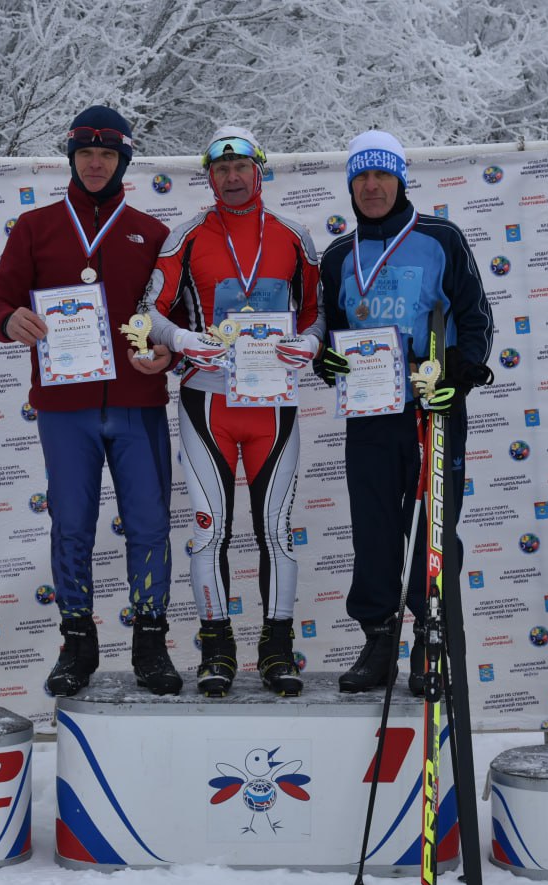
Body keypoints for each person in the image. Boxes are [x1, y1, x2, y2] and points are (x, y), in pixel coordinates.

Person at [0, 105, 181, 697]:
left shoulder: (152, 232)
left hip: (137, 403)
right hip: (64, 410)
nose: (96, 164)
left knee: (148, 524)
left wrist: (168, 355)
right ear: (72, 157)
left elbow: (176, 318)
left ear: (123, 161)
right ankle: (77, 643)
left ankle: (150, 641)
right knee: (72, 525)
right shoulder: (35, 227)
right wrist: (8, 319)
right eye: (86, 154)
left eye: (108, 154)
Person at [137, 126, 322, 697]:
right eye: (221, 170)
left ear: (259, 171)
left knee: (276, 532)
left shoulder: (295, 235)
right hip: (208, 399)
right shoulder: (187, 236)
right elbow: (149, 309)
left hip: (272, 404)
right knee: (209, 529)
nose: (233, 178)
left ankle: (277, 647)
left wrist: (312, 345)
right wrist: (187, 341)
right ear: (209, 176)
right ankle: (216, 646)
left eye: (242, 167)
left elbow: (319, 312)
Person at [313, 130, 494, 694]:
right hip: (369, 413)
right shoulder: (340, 254)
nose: (371, 186)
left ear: (400, 180)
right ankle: (380, 637)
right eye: (361, 177)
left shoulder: (440, 238)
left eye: (382, 175)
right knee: (373, 528)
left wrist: (458, 379)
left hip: (430, 407)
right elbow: (328, 332)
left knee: (436, 526)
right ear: (350, 185)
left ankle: (429, 638)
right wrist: (328, 362)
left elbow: (475, 317)